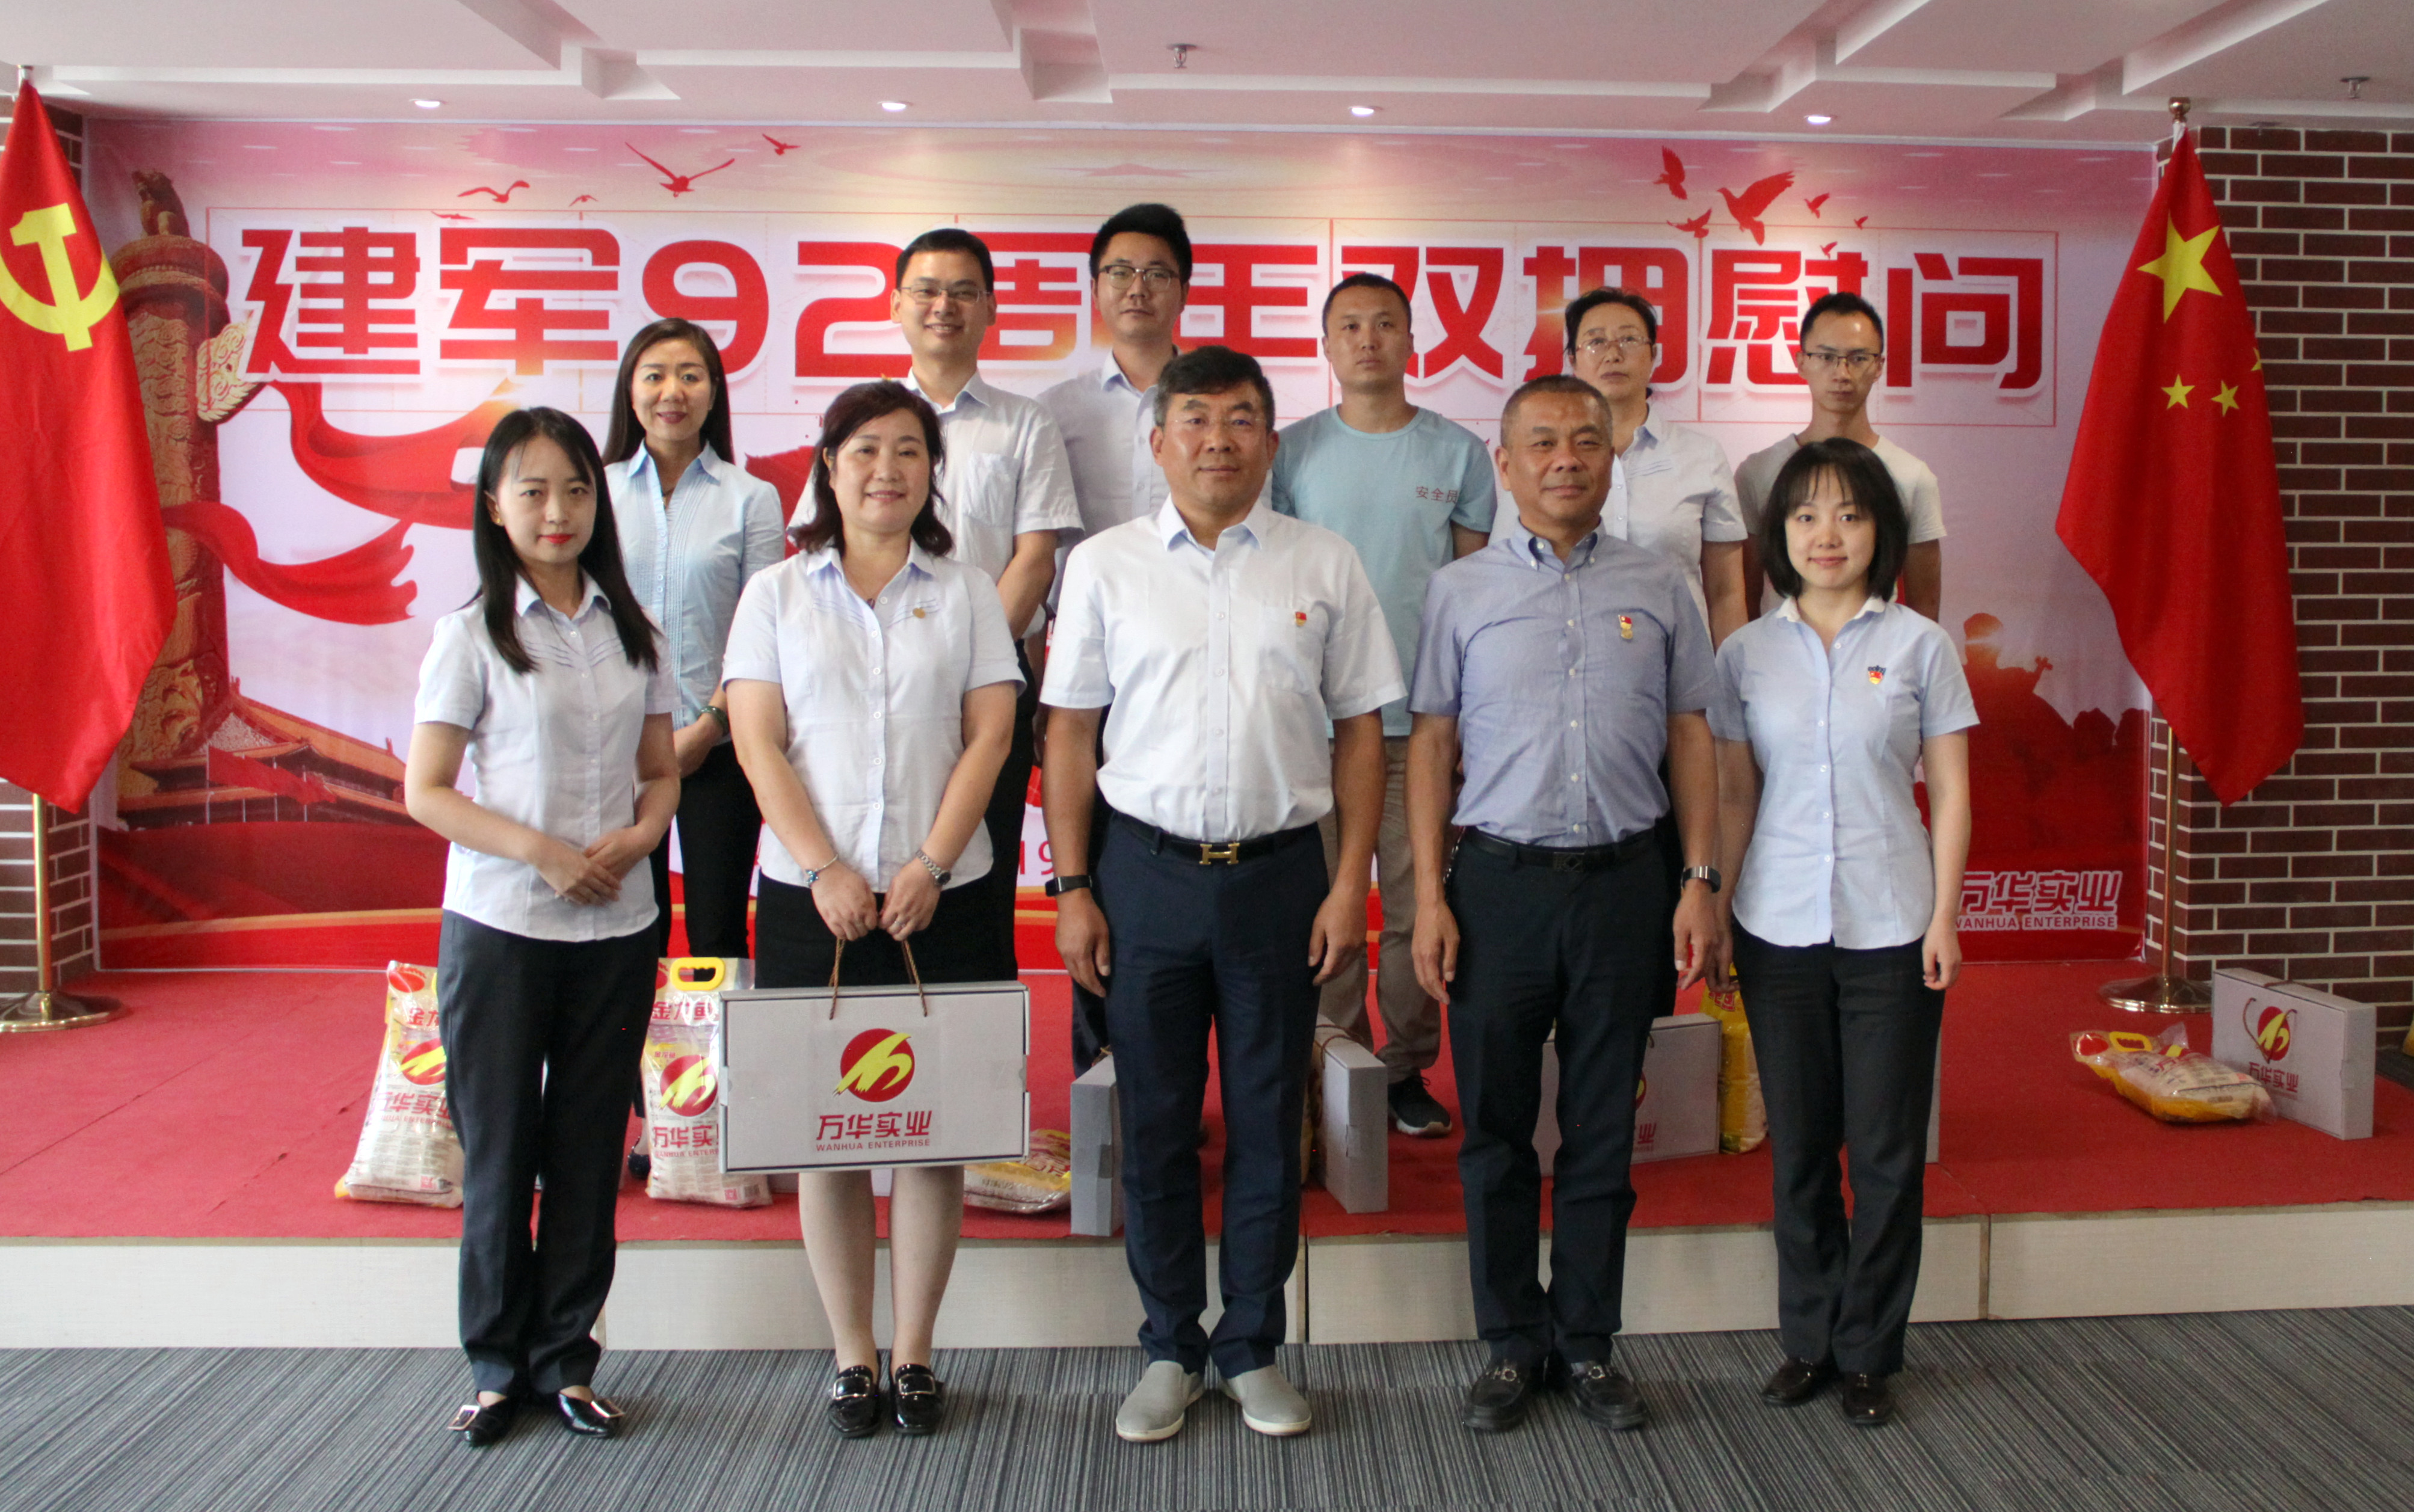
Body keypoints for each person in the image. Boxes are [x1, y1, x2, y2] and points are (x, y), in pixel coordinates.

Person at [1042, 346, 1399, 1444]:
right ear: (1157, 442)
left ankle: (1249, 1344)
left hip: (1280, 879)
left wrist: (1348, 882)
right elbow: (1069, 732)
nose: (1217, 440)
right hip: (1141, 876)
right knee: (1154, 1120)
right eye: (1193, 419)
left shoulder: (1322, 561)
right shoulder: (1104, 565)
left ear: (1270, 441)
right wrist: (1070, 886)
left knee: (1266, 1118)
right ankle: (1167, 1342)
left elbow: (1362, 732)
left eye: (1241, 419)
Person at [1407, 376, 1722, 1437]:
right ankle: (1509, 1340)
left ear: (1611, 457)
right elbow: (1432, 744)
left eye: (1585, 440)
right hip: (1495, 887)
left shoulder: (1661, 582)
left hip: (1626, 885)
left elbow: (1690, 732)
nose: (1565, 459)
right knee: (1494, 1128)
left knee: (1600, 1126)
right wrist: (1427, 896)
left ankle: (1586, 1341)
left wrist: (1698, 878)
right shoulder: (1459, 591)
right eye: (1540, 442)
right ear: (1503, 464)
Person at [727, 381, 1021, 1440]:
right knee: (830, 1132)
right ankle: (852, 1353)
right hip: (812, 899)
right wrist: (823, 869)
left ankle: (915, 1351)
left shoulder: (968, 589)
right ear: (828, 465)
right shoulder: (776, 592)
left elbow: (991, 734)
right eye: (864, 450)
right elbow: (757, 740)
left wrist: (931, 861)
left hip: (949, 893)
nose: (886, 469)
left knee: (933, 1132)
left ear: (932, 471)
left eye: (907, 450)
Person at [403, 407, 678, 1447]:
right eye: (532, 490)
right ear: (494, 506)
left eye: (574, 489)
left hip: (617, 924)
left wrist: (637, 836)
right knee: (499, 1145)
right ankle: (492, 1364)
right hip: (503, 923)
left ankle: (566, 1360)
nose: (556, 510)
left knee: (587, 1149)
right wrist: (543, 852)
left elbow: (661, 773)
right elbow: (427, 789)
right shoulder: (470, 634)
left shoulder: (632, 632)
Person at [1708, 437, 1974, 1428]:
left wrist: (1944, 915)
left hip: (1893, 926)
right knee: (1800, 1147)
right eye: (1806, 515)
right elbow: (1735, 794)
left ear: (1881, 532)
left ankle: (1869, 1350)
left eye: (1851, 515)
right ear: (1779, 533)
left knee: (1887, 1152)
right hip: (1775, 924)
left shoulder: (1920, 645)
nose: (1828, 535)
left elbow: (1950, 791)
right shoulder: (1744, 653)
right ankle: (1809, 1338)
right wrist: (1720, 911)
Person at [1271, 271, 1494, 1138]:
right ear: (1326, 345)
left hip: (1417, 726)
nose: (1367, 340)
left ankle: (1403, 1067)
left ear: (1411, 340)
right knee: (1323, 908)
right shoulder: (1290, 452)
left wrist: (1466, 718)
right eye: (1349, 326)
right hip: (1313, 729)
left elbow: (1471, 596)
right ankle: (1337, 1060)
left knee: (1414, 907)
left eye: (1385, 325)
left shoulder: (1457, 453)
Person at [869, 227, 1082, 980]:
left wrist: (969, 670)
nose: (944, 306)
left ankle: (978, 1043)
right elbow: (830, 547)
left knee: (979, 888)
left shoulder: (1024, 423)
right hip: (878, 689)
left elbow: (1035, 558)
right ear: (896, 305)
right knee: (876, 870)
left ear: (990, 307)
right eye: (926, 290)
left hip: (988, 696)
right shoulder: (862, 420)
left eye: (963, 292)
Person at [1038, 201, 1192, 1073]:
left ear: (1183, 289)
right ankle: (1105, 1075)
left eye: (1156, 273)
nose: (1137, 288)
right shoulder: (1054, 411)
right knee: (1092, 862)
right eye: (1119, 272)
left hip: (1192, 662)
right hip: (1089, 667)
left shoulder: (1213, 399)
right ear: (1095, 288)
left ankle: (1179, 1067)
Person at [603, 317, 784, 964]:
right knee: (628, 929)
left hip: (721, 748)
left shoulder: (751, 498)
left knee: (717, 934)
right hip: (619, 747)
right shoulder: (596, 491)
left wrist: (709, 724)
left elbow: (761, 632)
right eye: (654, 376)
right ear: (631, 391)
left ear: (714, 392)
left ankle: (718, 1042)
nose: (671, 392)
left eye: (690, 376)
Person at [1734, 292, 1944, 622]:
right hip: (1783, 648)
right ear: (1801, 362)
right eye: (1826, 357)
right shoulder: (1758, 472)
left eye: (1858, 358)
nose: (1842, 373)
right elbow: (1744, 597)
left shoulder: (1912, 476)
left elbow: (1925, 607)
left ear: (1879, 366)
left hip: (1878, 650)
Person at [1562, 286, 1749, 646]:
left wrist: (1729, 675)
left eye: (1629, 339)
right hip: (1574, 662)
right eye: (1596, 342)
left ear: (1654, 355)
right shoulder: (1549, 462)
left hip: (1678, 662)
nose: (1613, 354)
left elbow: (1725, 593)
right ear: (1574, 359)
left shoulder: (1702, 456)